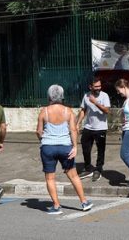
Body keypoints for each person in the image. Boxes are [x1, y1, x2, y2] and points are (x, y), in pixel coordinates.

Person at [36, 85, 94, 215]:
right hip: (65, 147)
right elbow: (73, 130)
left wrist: (43, 140)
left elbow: (39, 131)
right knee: (73, 175)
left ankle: (56, 206)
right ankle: (84, 202)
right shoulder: (68, 111)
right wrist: (75, 146)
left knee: (50, 178)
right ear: (62, 96)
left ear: (49, 96)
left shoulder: (44, 111)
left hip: (48, 147)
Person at [77, 77, 111, 182]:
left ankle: (98, 169)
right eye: (96, 86)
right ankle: (88, 169)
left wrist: (95, 102)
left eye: (99, 86)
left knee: (101, 150)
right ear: (90, 87)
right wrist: (77, 123)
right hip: (88, 127)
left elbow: (106, 110)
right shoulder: (86, 96)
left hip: (100, 128)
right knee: (85, 148)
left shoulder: (104, 96)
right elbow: (83, 110)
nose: (98, 88)